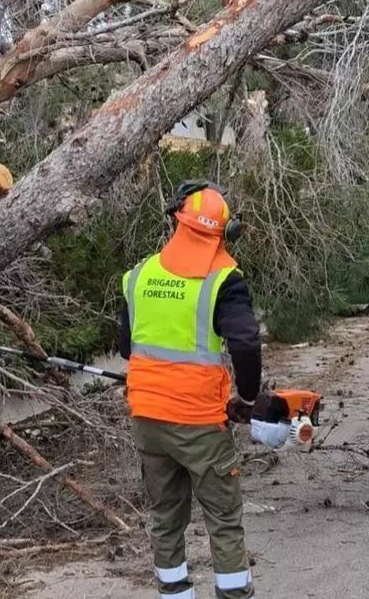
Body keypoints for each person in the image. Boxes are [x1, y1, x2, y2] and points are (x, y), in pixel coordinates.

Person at [118, 180, 261, 599]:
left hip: (147, 420)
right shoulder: (224, 281)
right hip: (200, 423)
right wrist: (248, 400)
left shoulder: (139, 276)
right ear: (224, 232)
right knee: (224, 520)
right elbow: (246, 344)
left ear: (175, 221)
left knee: (165, 517)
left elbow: (128, 348)